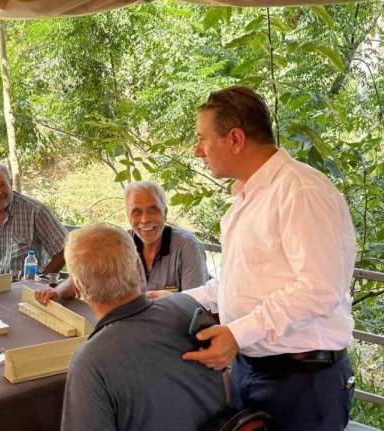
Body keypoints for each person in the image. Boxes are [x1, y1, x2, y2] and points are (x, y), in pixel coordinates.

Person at [152, 86, 356, 430]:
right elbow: (236, 284)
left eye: (203, 138)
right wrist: (172, 303)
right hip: (255, 369)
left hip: (302, 380)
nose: (197, 150)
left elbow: (318, 289)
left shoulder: (301, 191)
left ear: (235, 138)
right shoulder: (250, 196)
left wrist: (238, 332)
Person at [61, 223, 226, 431]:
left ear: (77, 287)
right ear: (139, 271)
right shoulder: (187, 306)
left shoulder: (91, 360)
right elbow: (224, 387)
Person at [35, 181, 209, 305]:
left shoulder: (187, 246)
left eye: (153, 209)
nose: (145, 219)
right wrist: (57, 292)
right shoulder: (120, 243)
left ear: (165, 212)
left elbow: (194, 305)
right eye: (136, 212)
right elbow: (85, 277)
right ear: (128, 216)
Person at [0, 162, 68, 277]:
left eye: (2, 185)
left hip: (28, 289)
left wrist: (42, 281)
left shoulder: (35, 211)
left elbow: (64, 249)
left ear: (11, 183)